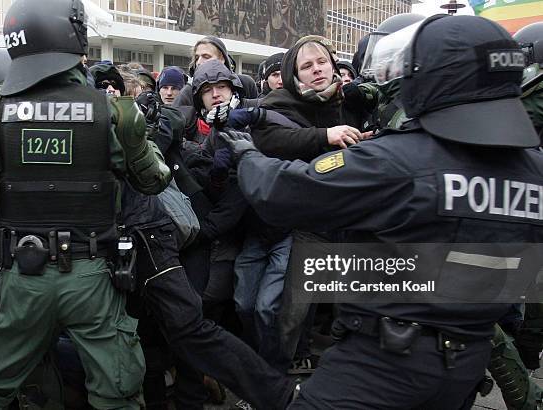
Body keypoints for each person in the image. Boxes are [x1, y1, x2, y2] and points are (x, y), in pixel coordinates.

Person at [220, 15, 543, 409]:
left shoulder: (399, 161)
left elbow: (283, 192)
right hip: (467, 364)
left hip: (383, 364)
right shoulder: (534, 171)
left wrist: (248, 156)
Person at [0, 0, 172, 408]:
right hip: (93, 275)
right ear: (74, 39)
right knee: (118, 394)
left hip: (19, 280)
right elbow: (154, 181)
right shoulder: (114, 113)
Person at [252, 35, 370, 162]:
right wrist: (325, 136)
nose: (317, 69)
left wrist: (357, 139)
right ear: (294, 75)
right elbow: (267, 139)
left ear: (332, 67)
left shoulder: (347, 99)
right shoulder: (279, 101)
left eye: (322, 62)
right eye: (307, 66)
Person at [172, 36, 258, 108]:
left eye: (206, 56)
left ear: (222, 58)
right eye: (197, 58)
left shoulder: (245, 83)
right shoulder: (189, 90)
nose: (199, 62)